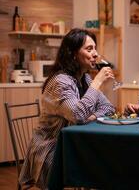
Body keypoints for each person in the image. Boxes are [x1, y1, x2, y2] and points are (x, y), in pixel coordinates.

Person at [19, 28, 115, 189]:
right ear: (73, 54)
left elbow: (108, 107)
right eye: (89, 49)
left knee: (108, 162)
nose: (96, 54)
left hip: (74, 145)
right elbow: (77, 115)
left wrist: (89, 117)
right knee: (99, 167)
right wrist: (98, 82)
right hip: (51, 150)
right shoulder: (61, 81)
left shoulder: (84, 77)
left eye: (95, 48)